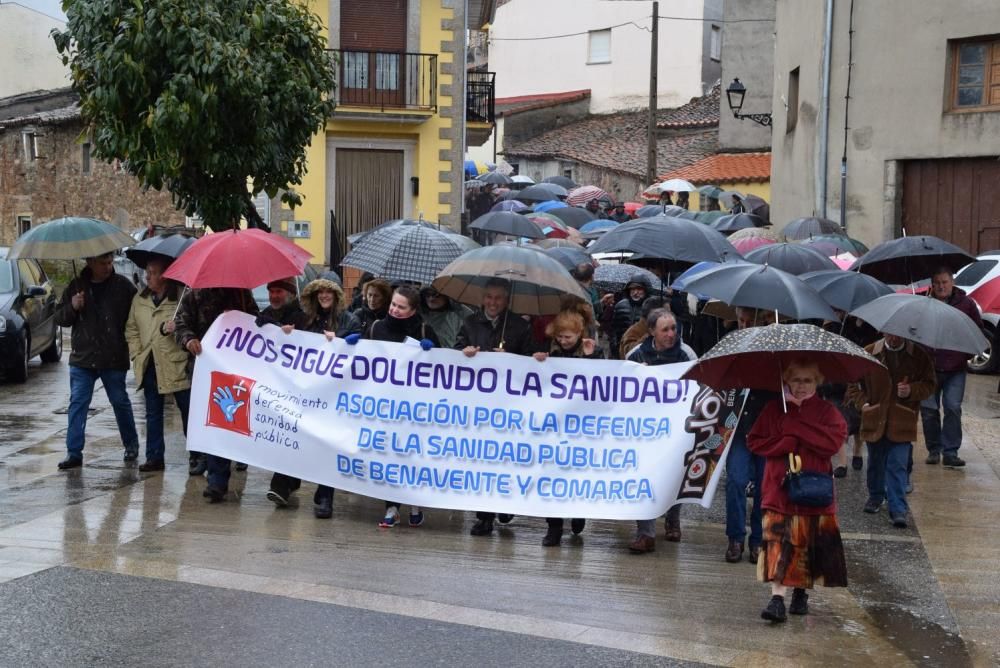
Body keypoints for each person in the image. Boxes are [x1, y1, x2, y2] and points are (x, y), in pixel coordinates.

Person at [747, 360, 848, 623]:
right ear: (786, 381)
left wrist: (798, 430)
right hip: (778, 489)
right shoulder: (773, 408)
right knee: (779, 542)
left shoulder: (827, 412)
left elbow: (832, 443)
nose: (801, 386)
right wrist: (784, 442)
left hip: (813, 490)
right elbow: (755, 442)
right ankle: (777, 598)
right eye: (796, 380)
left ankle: (801, 592)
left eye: (807, 381)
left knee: (807, 542)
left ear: (817, 382)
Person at [267, 278, 362, 518]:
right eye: (319, 291)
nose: (324, 295)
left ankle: (324, 497)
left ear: (336, 295)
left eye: (328, 291)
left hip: (333, 395)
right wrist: (287, 333)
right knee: (293, 434)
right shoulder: (305, 320)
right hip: (306, 391)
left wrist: (342, 341)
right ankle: (282, 485)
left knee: (325, 444)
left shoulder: (348, 320)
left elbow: (360, 347)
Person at [457, 277, 536, 536]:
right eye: (489, 297)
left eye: (498, 298)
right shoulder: (470, 323)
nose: (492, 302)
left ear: (506, 300)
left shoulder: (519, 327)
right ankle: (484, 516)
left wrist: (512, 359)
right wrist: (464, 352)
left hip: (509, 406)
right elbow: (454, 353)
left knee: (505, 459)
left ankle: (505, 503)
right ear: (483, 298)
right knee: (483, 460)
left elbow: (530, 362)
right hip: (479, 406)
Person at [54, 253, 140, 469]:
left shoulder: (123, 286)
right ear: (90, 262)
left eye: (110, 262)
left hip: (113, 356)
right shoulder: (76, 286)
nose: (108, 267)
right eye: (103, 263)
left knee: (120, 401)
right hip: (83, 357)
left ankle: (131, 444)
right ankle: (74, 452)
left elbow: (139, 313)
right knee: (78, 404)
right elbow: (60, 318)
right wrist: (72, 306)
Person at [365, 286, 439, 528]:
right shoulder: (376, 328)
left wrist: (433, 351)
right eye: (393, 305)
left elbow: (444, 368)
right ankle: (392, 507)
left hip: (415, 406)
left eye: (401, 307)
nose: (395, 310)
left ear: (413, 310)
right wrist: (348, 344)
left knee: (412, 455)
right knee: (389, 455)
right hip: (385, 404)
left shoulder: (424, 330)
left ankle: (414, 501)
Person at [174, 287, 258, 497]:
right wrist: (189, 340)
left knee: (230, 421)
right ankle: (217, 480)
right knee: (212, 424)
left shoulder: (241, 294)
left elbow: (257, 323)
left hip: (236, 369)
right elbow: (180, 324)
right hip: (204, 369)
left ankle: (228, 467)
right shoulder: (194, 294)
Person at [848, 332, 935, 528]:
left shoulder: (919, 356)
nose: (894, 338)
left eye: (899, 335)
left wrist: (912, 390)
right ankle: (876, 496)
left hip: (901, 420)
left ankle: (898, 508)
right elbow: (853, 385)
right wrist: (863, 405)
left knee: (897, 464)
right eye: (890, 334)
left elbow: (930, 385)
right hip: (875, 417)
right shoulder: (869, 352)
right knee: (875, 462)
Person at [626, 309, 695, 552]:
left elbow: (696, 389)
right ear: (652, 331)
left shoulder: (686, 354)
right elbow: (623, 391)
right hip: (644, 429)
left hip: (674, 429)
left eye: (674, 328)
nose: (671, 334)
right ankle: (645, 532)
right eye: (665, 329)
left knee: (672, 475)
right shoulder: (635, 355)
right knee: (644, 476)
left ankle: (672, 519)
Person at [533, 306, 603, 546]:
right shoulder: (549, 353)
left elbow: (605, 383)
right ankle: (553, 526)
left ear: (579, 333)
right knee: (551, 474)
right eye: (559, 337)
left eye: (568, 337)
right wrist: (539, 362)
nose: (563, 341)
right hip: (554, 425)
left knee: (576, 473)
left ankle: (577, 510)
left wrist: (592, 357)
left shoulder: (593, 351)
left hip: (581, 425)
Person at [124, 256, 191, 472]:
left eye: (152, 272)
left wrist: (178, 327)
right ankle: (154, 457)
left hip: (174, 363)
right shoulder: (140, 299)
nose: (147, 276)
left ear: (164, 275)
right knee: (153, 412)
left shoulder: (181, 298)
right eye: (147, 272)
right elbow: (131, 329)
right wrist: (136, 353)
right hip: (149, 363)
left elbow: (192, 326)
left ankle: (198, 456)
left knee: (187, 410)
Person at [724, 308, 777, 565]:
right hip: (739, 428)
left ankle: (758, 539)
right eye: (741, 321)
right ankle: (735, 537)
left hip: (766, 430)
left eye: (749, 321)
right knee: (735, 480)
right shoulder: (732, 345)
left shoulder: (774, 350)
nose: (743, 326)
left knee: (765, 488)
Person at [920, 267, 983, 467]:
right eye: (937, 282)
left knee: (953, 408)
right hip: (928, 367)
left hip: (955, 368)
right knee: (929, 410)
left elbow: (977, 332)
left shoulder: (966, 304)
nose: (941, 286)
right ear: (932, 284)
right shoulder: (923, 303)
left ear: (952, 282)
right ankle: (934, 449)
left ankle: (951, 451)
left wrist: (965, 355)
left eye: (944, 282)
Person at [611, 274, 651, 357]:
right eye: (632, 289)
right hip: (621, 349)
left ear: (646, 290)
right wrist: (614, 349)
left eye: (639, 289)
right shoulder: (620, 305)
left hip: (643, 351)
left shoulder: (651, 307)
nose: (635, 292)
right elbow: (614, 331)